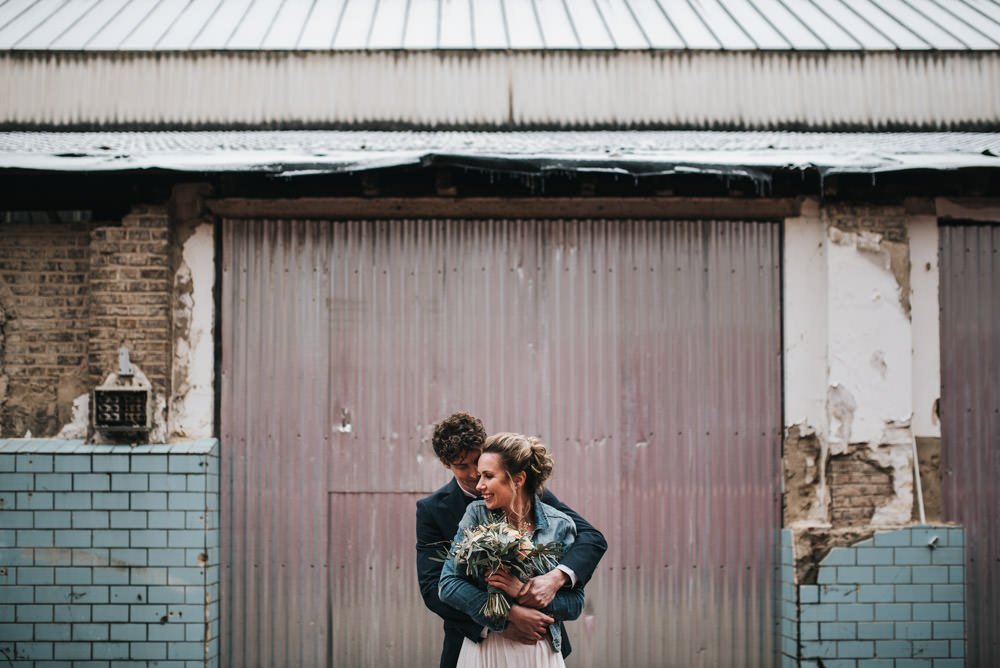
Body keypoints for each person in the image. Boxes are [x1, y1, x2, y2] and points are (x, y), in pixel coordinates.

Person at [416, 413, 607, 668]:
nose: (475, 476)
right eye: (464, 466)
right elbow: (435, 589)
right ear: (445, 463)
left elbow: (591, 538)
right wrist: (506, 618)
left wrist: (554, 579)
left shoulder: (530, 494)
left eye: (479, 463)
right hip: (475, 639)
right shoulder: (436, 510)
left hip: (540, 641)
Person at [439, 432, 582, 668]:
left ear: (518, 479)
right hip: (486, 649)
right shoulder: (476, 515)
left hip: (539, 649)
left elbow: (576, 602)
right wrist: (507, 614)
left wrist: (523, 591)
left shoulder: (560, 525)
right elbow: (448, 584)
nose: (479, 485)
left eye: (488, 476)